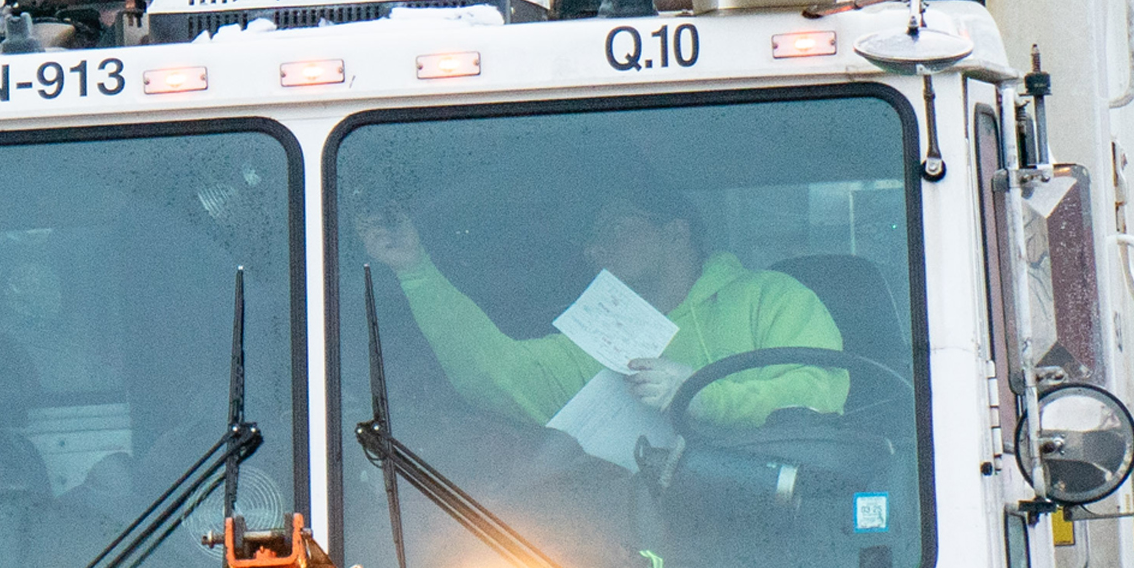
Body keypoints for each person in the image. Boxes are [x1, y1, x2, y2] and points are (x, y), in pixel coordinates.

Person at [351, 170, 848, 449]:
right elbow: (500, 376)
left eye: (613, 228)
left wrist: (695, 392)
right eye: (591, 238)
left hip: (776, 524)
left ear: (676, 233)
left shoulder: (772, 297)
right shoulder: (611, 332)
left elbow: (821, 393)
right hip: (648, 545)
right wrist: (416, 270)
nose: (593, 250)